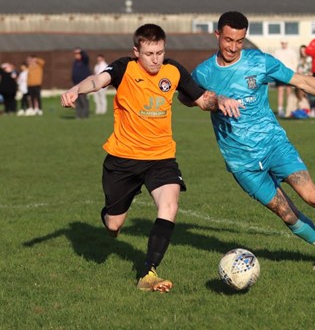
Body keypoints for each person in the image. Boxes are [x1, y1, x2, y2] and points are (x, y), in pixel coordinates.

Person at [181, 11, 315, 271]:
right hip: (241, 161)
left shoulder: (260, 62)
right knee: (286, 213)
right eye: (228, 40)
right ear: (217, 35)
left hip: (273, 144)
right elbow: (186, 97)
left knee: (311, 195)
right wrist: (210, 100)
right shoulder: (204, 73)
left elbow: (303, 81)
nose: (233, 47)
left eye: (240, 41)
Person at [60, 24, 241, 292]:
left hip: (161, 157)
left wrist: (220, 100)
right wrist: (77, 89)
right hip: (123, 159)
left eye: (159, 52)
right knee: (113, 225)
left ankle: (148, 273)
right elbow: (98, 80)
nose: (155, 59)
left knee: (169, 206)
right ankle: (113, 213)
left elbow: (202, 99)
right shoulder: (125, 68)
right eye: (149, 53)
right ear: (137, 51)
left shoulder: (173, 71)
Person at [273, 39, 298, 118]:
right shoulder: (277, 52)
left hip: (289, 74)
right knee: (280, 91)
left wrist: (293, 72)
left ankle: (289, 108)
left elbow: (295, 62)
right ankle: (280, 109)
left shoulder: (291, 52)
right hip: (280, 74)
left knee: (289, 91)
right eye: (283, 43)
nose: (284, 45)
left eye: (285, 43)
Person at [71, 48, 92, 119]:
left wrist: (81, 51)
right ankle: (79, 115)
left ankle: (85, 114)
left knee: (83, 99)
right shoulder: (75, 62)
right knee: (77, 100)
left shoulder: (84, 61)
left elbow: (86, 56)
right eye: (75, 54)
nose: (76, 55)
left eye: (78, 54)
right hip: (76, 84)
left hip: (83, 84)